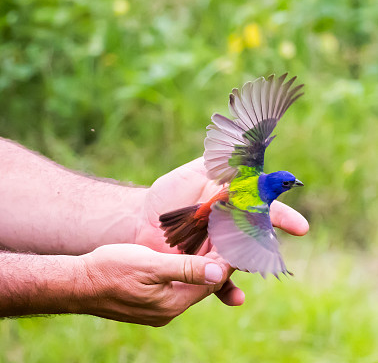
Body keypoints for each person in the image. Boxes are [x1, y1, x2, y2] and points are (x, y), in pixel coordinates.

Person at [0, 137, 308, 326]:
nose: (291, 187)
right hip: (211, 210)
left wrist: (138, 214)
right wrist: (85, 281)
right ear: (275, 185)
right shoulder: (257, 200)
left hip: (211, 209)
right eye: (287, 184)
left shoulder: (255, 182)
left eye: (291, 184)